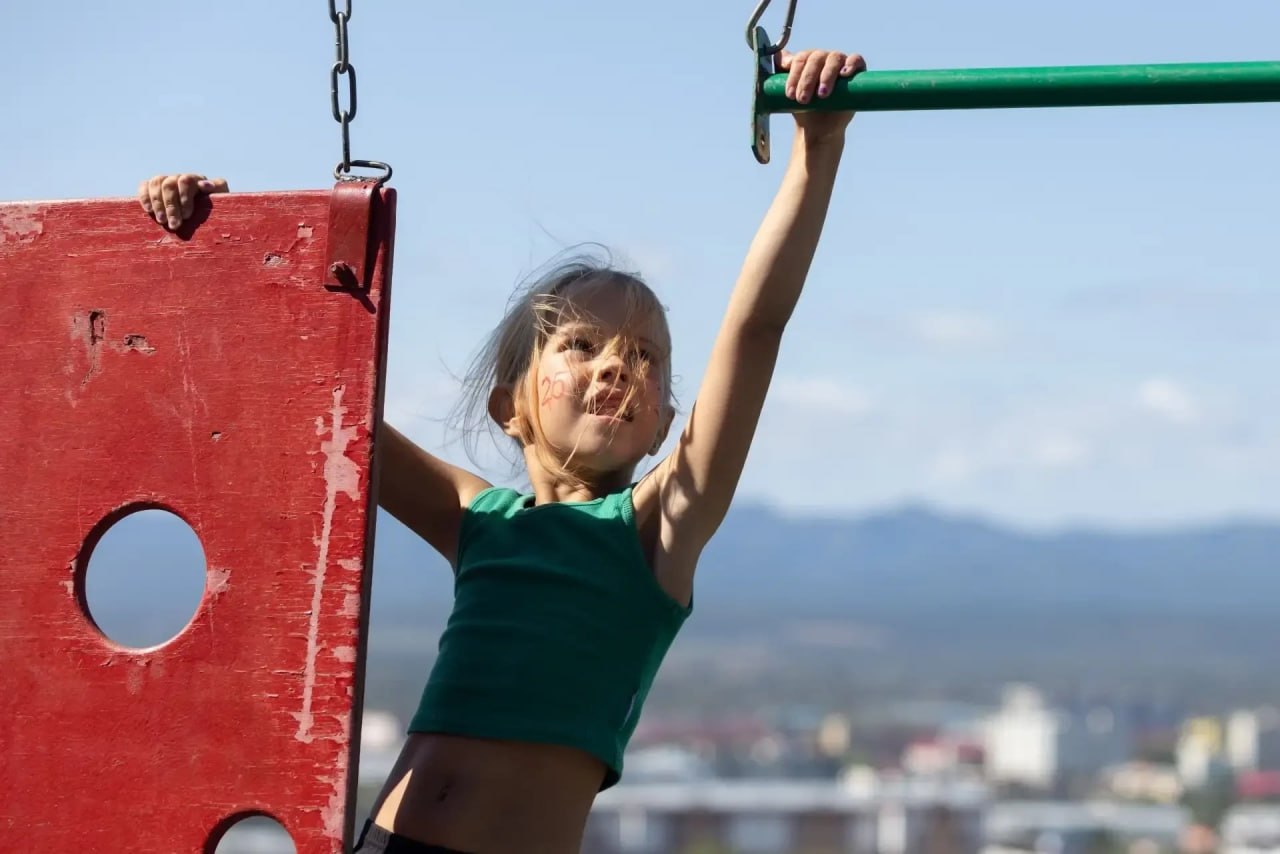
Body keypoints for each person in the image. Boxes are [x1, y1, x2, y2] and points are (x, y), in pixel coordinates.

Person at [141, 46, 865, 854]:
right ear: (507, 404)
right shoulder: (476, 516)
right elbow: (310, 399)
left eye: (645, 356)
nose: (618, 365)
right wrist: (209, 247)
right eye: (583, 344)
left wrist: (816, 150)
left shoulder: (656, 530)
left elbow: (754, 330)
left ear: (665, 425)